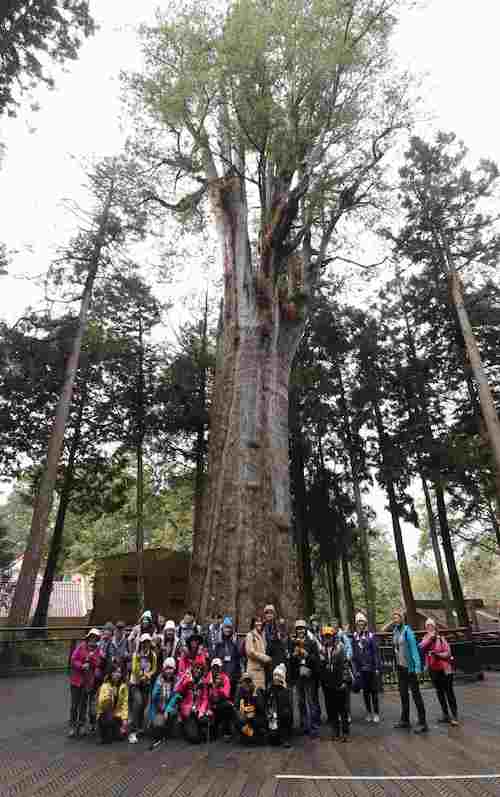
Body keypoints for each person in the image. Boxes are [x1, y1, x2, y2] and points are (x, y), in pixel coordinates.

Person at [392, 608, 428, 734]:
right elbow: (395, 649)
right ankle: (405, 720)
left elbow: (414, 649)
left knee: (416, 695)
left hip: (410, 668)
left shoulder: (408, 632)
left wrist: (418, 667)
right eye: (394, 618)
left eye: (397, 617)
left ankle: (423, 723)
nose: (395, 620)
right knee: (403, 694)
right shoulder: (395, 631)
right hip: (401, 668)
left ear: (402, 619)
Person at [419, 618, 459, 726]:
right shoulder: (425, 638)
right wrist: (430, 640)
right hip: (433, 669)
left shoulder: (441, 638)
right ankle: (445, 714)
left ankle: (454, 715)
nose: (429, 627)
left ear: (435, 626)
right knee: (439, 692)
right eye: (427, 626)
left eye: (431, 625)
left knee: (449, 692)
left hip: (444, 669)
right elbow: (421, 647)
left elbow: (448, 652)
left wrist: (437, 654)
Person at [319, 625, 353, 742]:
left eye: (329, 636)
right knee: (331, 709)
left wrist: (344, 681)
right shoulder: (322, 650)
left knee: (342, 709)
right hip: (328, 684)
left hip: (339, 682)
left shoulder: (340, 647)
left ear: (333, 637)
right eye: (325, 637)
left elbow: (345, 665)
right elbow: (321, 667)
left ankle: (345, 732)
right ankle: (335, 731)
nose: (327, 639)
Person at [290, 619, 321, 738]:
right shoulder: (293, 643)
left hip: (309, 676)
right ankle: (304, 726)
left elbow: (317, 661)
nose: (300, 631)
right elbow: (291, 662)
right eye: (298, 629)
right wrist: (294, 655)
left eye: (302, 628)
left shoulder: (312, 643)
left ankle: (314, 728)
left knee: (311, 701)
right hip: (298, 677)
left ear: (305, 629)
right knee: (301, 702)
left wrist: (307, 655)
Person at [68, 628, 102, 738]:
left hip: (87, 681)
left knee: (83, 704)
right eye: (92, 637)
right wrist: (81, 666)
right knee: (74, 705)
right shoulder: (81, 646)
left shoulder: (97, 650)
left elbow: (98, 662)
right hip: (76, 680)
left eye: (95, 638)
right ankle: (72, 726)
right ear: (88, 638)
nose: (93, 640)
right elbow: (73, 659)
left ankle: (81, 724)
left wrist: (91, 659)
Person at [352, 612, 381, 723]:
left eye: (362, 622)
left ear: (365, 623)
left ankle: (376, 713)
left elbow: (375, 652)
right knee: (365, 693)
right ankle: (368, 712)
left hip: (371, 668)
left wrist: (377, 667)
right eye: (358, 623)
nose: (360, 624)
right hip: (361, 669)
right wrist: (356, 670)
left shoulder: (371, 636)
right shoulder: (355, 637)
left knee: (374, 692)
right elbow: (355, 654)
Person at [128, 632, 158, 744]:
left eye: (148, 642)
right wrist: (141, 675)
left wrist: (148, 675)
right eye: (144, 642)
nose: (146, 644)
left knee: (144, 705)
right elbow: (134, 668)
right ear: (141, 643)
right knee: (138, 702)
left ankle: (140, 727)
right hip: (135, 682)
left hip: (146, 683)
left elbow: (154, 668)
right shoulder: (136, 654)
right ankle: (132, 730)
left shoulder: (152, 655)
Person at [175, 659, 213, 743]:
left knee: (204, 720)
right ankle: (185, 727)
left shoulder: (203, 682)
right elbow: (177, 690)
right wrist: (185, 680)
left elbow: (205, 698)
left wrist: (201, 711)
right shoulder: (187, 678)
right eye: (197, 668)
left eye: (200, 669)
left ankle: (199, 729)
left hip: (197, 710)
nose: (198, 670)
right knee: (194, 739)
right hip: (187, 711)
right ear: (193, 668)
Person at [148, 657, 181, 750]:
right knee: (157, 726)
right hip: (159, 709)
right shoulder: (159, 678)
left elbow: (175, 697)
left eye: (171, 668)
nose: (169, 671)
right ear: (164, 669)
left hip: (170, 709)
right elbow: (153, 697)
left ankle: (170, 726)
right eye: (167, 668)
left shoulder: (176, 680)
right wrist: (158, 685)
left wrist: (167, 710)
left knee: (175, 733)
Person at [96, 664, 129, 744]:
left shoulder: (124, 686)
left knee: (120, 737)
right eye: (115, 672)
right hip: (105, 714)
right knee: (108, 739)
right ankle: (103, 732)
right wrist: (109, 696)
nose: (118, 674)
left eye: (119, 672)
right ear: (111, 673)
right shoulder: (105, 686)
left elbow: (125, 704)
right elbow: (101, 705)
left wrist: (124, 719)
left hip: (117, 714)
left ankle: (114, 730)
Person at [235, 673, 267, 744]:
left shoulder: (256, 690)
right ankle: (249, 734)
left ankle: (256, 734)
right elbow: (236, 706)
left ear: (252, 682)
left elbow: (261, 708)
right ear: (242, 682)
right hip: (245, 716)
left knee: (258, 723)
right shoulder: (239, 690)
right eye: (245, 682)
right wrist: (241, 715)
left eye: (249, 681)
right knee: (238, 721)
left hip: (256, 716)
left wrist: (254, 697)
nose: (247, 684)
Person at [266, 664, 293, 748]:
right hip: (273, 717)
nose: (276, 678)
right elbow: (268, 704)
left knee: (286, 714)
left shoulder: (286, 690)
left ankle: (285, 738)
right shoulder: (270, 688)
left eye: (278, 676)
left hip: (283, 716)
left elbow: (288, 708)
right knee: (273, 740)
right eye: (275, 675)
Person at [214, 617, 241, 698]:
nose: (227, 630)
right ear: (222, 628)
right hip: (221, 676)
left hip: (232, 677)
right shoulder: (218, 643)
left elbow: (239, 657)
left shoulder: (235, 641)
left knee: (230, 698)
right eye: (226, 627)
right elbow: (215, 659)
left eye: (229, 627)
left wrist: (237, 644)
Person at [210, 658, 234, 741]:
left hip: (221, 703)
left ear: (221, 668)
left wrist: (218, 687)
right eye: (214, 667)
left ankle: (227, 732)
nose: (216, 670)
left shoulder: (225, 678)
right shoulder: (208, 678)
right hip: (210, 704)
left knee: (228, 707)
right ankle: (213, 731)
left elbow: (226, 694)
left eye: (218, 667)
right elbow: (207, 695)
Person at [245, 617, 271, 693]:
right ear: (253, 623)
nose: (259, 623)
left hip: (262, 671)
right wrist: (265, 658)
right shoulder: (250, 635)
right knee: (254, 694)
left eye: (260, 621)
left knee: (261, 694)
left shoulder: (263, 636)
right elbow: (250, 652)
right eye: (256, 621)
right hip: (253, 670)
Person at [267, 617, 292, 685]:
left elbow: (291, 653)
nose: (281, 628)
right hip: (275, 672)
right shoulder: (272, 639)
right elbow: (268, 654)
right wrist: (276, 639)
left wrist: (289, 654)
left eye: (283, 625)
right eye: (280, 626)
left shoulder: (289, 639)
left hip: (286, 672)